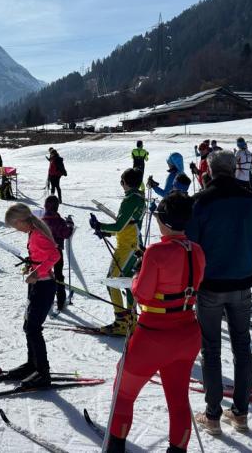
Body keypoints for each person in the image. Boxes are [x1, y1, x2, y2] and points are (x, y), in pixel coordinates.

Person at [106, 192, 204, 453]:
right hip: (187, 334)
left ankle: (115, 447)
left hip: (154, 335)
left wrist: (138, 274)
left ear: (164, 221)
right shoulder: (197, 250)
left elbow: (141, 294)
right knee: (178, 399)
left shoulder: (156, 251)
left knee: (123, 393)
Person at [186, 150, 252, 435]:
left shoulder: (200, 202)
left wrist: (193, 280)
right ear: (235, 169)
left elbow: (189, 246)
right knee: (242, 346)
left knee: (211, 349)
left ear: (209, 171)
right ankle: (240, 413)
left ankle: (213, 415)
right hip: (241, 285)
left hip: (210, 286)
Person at [3, 202, 61, 389]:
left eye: (15, 225)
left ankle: (43, 373)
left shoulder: (37, 235)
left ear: (21, 221)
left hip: (44, 286)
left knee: (33, 328)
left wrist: (36, 272)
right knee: (28, 325)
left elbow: (55, 255)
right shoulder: (33, 232)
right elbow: (42, 256)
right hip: (38, 284)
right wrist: (31, 265)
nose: (16, 229)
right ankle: (32, 365)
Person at [89, 168, 147, 335]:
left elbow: (119, 226)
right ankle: (131, 321)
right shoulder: (138, 198)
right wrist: (108, 233)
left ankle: (122, 322)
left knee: (112, 281)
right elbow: (129, 225)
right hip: (131, 244)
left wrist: (100, 226)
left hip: (128, 247)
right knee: (127, 282)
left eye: (122, 181)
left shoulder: (130, 200)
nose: (121, 185)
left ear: (125, 183)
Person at [40, 195, 74, 311]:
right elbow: (66, 234)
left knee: (45, 275)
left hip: (43, 251)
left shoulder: (42, 221)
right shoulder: (59, 221)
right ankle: (60, 301)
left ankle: (45, 300)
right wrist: (70, 225)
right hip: (56, 252)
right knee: (58, 275)